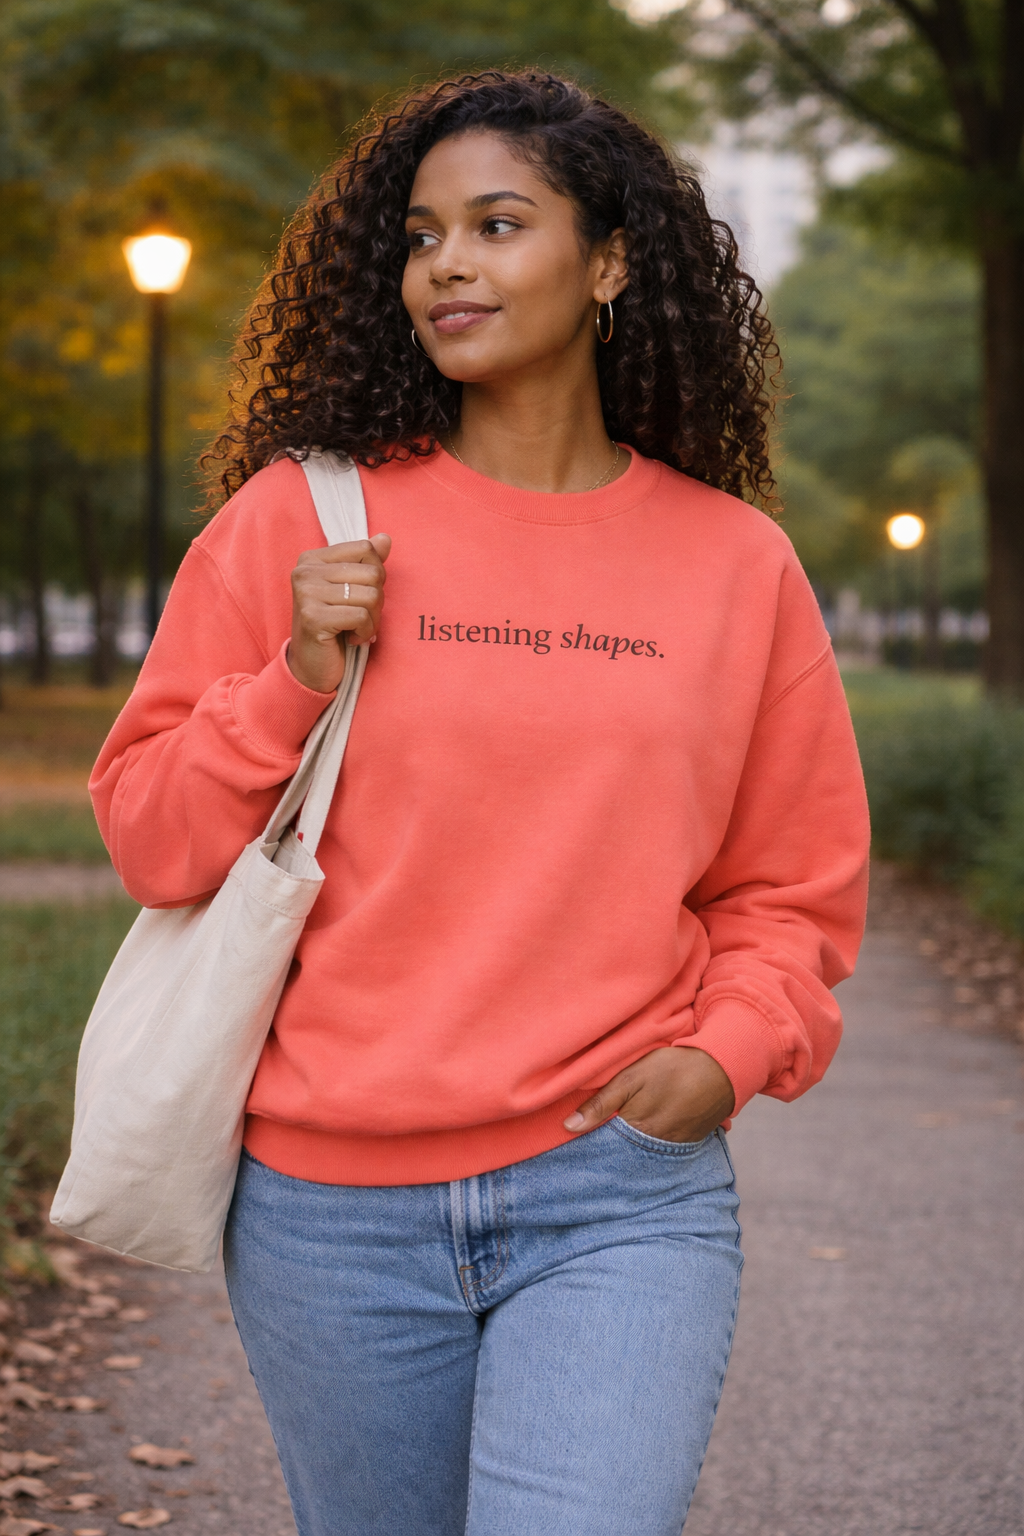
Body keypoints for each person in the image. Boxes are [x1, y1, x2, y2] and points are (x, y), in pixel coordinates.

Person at [91, 71, 869, 1536]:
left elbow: (792, 886)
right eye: (422, 235)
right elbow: (147, 835)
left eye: (498, 225)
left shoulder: (735, 565)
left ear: (613, 260)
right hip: (329, 1217)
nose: (446, 263)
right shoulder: (302, 520)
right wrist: (290, 678)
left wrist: (732, 1049)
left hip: (618, 1194)